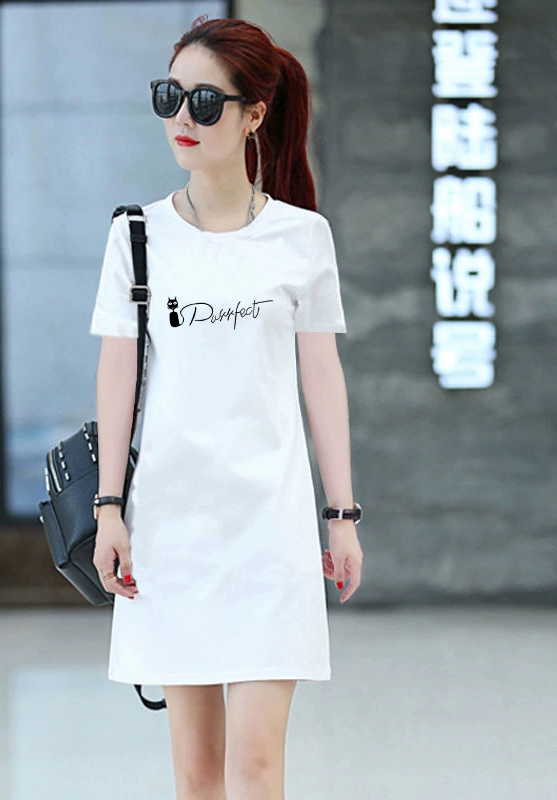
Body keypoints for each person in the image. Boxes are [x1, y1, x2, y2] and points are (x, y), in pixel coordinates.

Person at [89, 15, 362, 800]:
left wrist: (342, 513)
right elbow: (118, 374)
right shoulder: (137, 236)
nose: (182, 117)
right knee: (197, 774)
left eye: (205, 102)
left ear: (253, 115)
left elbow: (322, 376)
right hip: (170, 531)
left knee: (257, 767)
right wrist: (110, 510)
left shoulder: (302, 237)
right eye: (169, 96)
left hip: (269, 531)